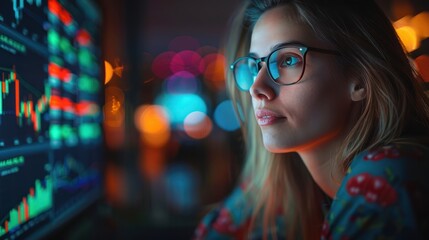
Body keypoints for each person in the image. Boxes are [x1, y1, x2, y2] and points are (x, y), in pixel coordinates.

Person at [194, 0, 429, 239]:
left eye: (288, 60)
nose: (257, 88)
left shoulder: (389, 175)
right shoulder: (285, 190)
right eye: (256, 66)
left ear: (359, 78)